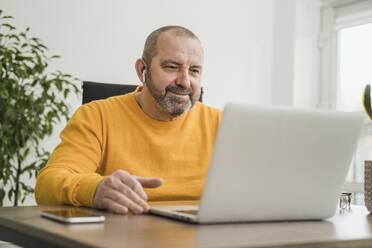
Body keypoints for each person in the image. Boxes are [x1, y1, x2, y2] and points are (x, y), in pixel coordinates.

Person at [35, 25, 221, 215]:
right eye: (172, 67)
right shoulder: (96, 116)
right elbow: (47, 184)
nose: (185, 81)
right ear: (142, 69)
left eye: (194, 71)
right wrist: (95, 188)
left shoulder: (221, 124)